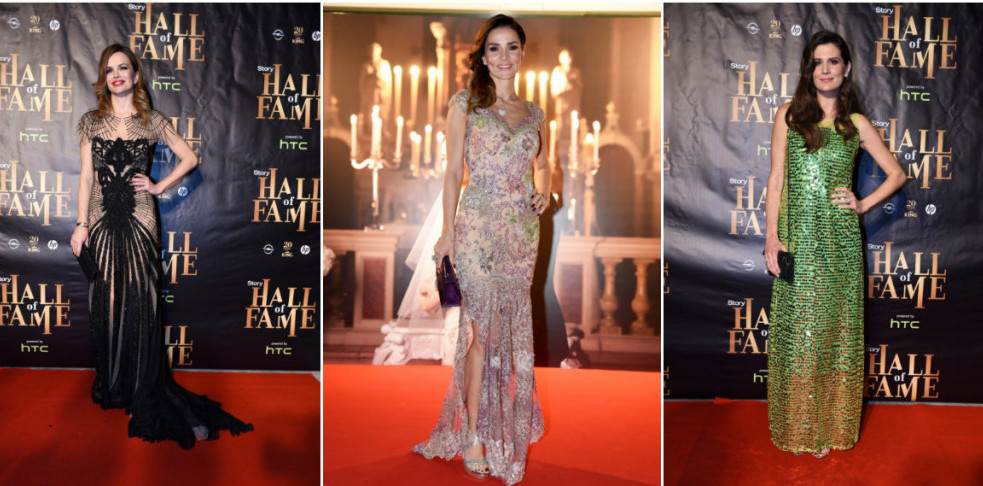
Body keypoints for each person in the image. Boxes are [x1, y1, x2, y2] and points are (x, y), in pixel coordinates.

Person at [70, 44, 253, 450]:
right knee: (108, 300)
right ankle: (114, 383)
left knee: (141, 300)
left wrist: (157, 186)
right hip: (101, 219)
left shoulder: (151, 121)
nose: (117, 74)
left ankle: (142, 385)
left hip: (140, 218)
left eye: (124, 68)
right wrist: (81, 225)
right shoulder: (90, 122)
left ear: (135, 76)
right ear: (104, 78)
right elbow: (85, 179)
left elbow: (190, 157)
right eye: (109, 69)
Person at [413, 14, 550, 484]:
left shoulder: (536, 114)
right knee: (481, 334)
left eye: (512, 47)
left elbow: (544, 165)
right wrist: (447, 232)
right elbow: (453, 171)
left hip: (521, 234)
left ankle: (493, 425)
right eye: (495, 48)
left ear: (522, 53)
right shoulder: (466, 103)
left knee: (505, 336)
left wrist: (544, 192)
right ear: (484, 56)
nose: (504, 56)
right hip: (476, 228)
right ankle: (473, 434)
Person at [763, 31, 905, 459]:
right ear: (809, 70)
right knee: (797, 333)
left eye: (833, 61)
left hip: (839, 242)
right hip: (797, 240)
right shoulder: (789, 115)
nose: (825, 69)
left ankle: (829, 426)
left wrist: (862, 203)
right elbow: (776, 179)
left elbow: (897, 174)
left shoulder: (855, 123)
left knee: (833, 334)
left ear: (846, 69)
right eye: (817, 62)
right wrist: (771, 237)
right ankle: (798, 425)